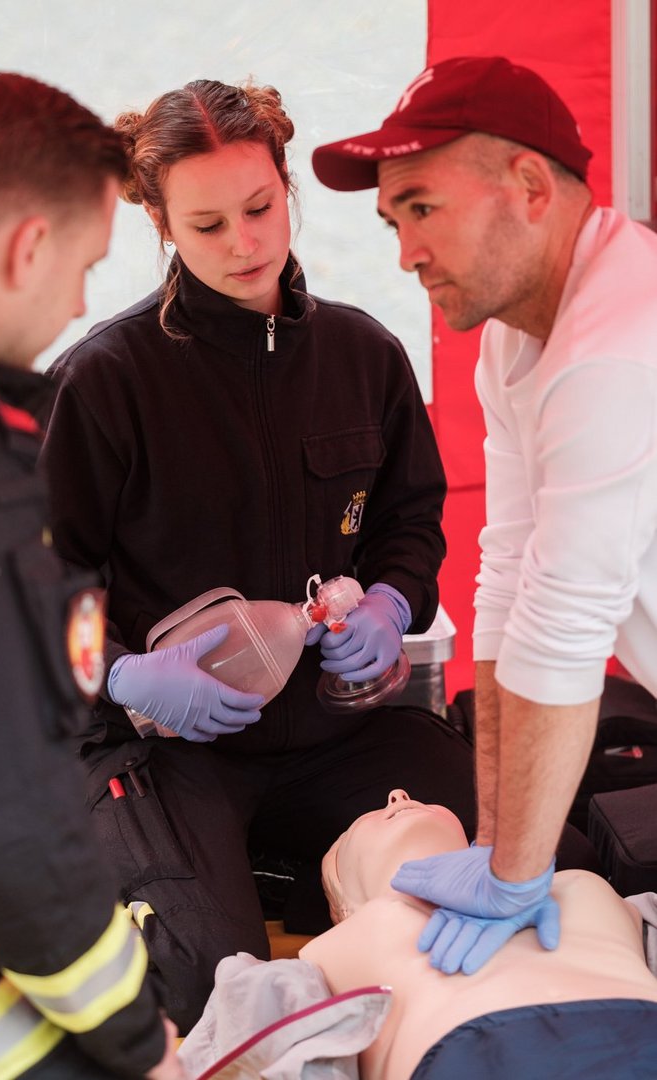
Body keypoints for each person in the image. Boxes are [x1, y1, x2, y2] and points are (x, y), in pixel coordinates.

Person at [39, 76, 480, 1034]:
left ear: (287, 186)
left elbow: (412, 523)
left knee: (480, 897)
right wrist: (125, 676)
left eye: (259, 208)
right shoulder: (101, 383)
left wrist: (392, 607)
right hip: (171, 752)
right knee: (205, 984)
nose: (244, 244)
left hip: (341, 736)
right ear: (159, 222)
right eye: (206, 225)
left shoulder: (365, 356)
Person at [311, 54, 657, 973]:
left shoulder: (615, 344)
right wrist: (502, 844)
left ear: (531, 186)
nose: (404, 252)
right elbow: (507, 579)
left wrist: (517, 873)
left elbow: (567, 624)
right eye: (392, 221)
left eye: (422, 208)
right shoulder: (513, 338)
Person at [0, 72, 182, 1078]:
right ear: (28, 246)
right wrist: (133, 1034)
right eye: (83, 267)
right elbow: (5, 821)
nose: (76, 304)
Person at [179, 792, 657, 1079]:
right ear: (341, 905)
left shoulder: (569, 882)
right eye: (357, 828)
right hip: (487, 1058)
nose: (398, 796)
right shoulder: (325, 952)